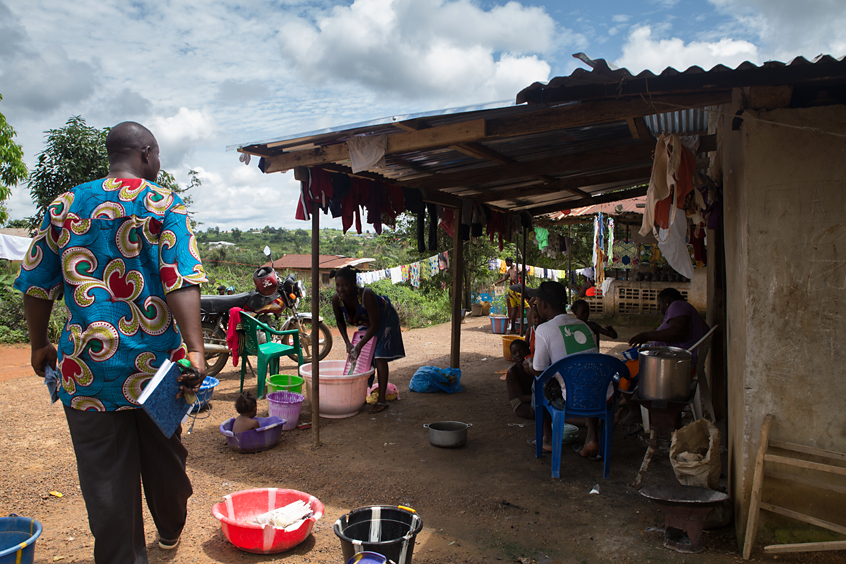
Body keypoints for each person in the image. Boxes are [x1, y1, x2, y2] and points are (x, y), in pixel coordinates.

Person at [15, 121, 206, 562]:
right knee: (166, 459)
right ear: (146, 152)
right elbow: (181, 280)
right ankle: (172, 527)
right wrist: (195, 350)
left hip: (87, 370)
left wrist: (38, 343)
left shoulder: (62, 206)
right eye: (157, 156)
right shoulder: (162, 204)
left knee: (106, 481)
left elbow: (37, 285)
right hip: (156, 370)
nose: (158, 164)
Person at [526, 281, 602, 457]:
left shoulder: (544, 329)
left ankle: (547, 439)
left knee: (537, 384)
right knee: (586, 377)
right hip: (601, 395)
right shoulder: (583, 326)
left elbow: (540, 371)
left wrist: (529, 365)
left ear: (543, 304)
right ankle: (592, 438)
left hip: (572, 399)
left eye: (536, 301)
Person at [331, 266, 405, 413]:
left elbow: (376, 324)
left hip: (385, 319)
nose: (341, 289)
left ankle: (382, 401)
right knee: (364, 358)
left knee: (379, 356)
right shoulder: (337, 299)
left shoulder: (366, 295)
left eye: (345, 285)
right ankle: (362, 394)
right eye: (338, 285)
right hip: (367, 323)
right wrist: (347, 343)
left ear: (354, 284)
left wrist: (358, 346)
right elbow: (339, 321)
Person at [628, 288, 709, 360]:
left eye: (660, 306)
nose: (660, 311)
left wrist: (646, 336)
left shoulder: (677, 305)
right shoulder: (681, 307)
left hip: (677, 363)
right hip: (672, 360)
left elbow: (678, 332)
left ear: (667, 301)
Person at [505, 339, 534, 419]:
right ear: (512, 356)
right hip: (520, 404)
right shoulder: (512, 372)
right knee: (543, 413)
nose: (518, 354)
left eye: (522, 351)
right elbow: (522, 397)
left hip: (533, 398)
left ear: (528, 351)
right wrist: (541, 398)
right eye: (514, 353)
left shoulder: (533, 367)